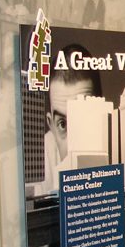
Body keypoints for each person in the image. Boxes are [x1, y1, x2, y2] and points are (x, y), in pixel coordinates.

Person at [38, 44, 103, 195]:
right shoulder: (36, 167)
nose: (73, 146)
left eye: (83, 119)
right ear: (51, 126)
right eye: (63, 124)